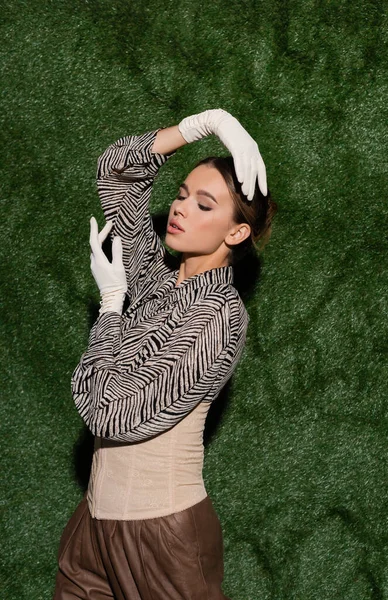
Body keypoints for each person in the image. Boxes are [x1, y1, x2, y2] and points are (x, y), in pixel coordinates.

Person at [52, 108, 277, 600]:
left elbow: (108, 414)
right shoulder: (157, 283)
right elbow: (116, 172)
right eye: (180, 195)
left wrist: (112, 305)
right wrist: (206, 123)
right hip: (93, 524)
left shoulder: (221, 314)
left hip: (162, 537)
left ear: (235, 233)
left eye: (204, 205)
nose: (179, 209)